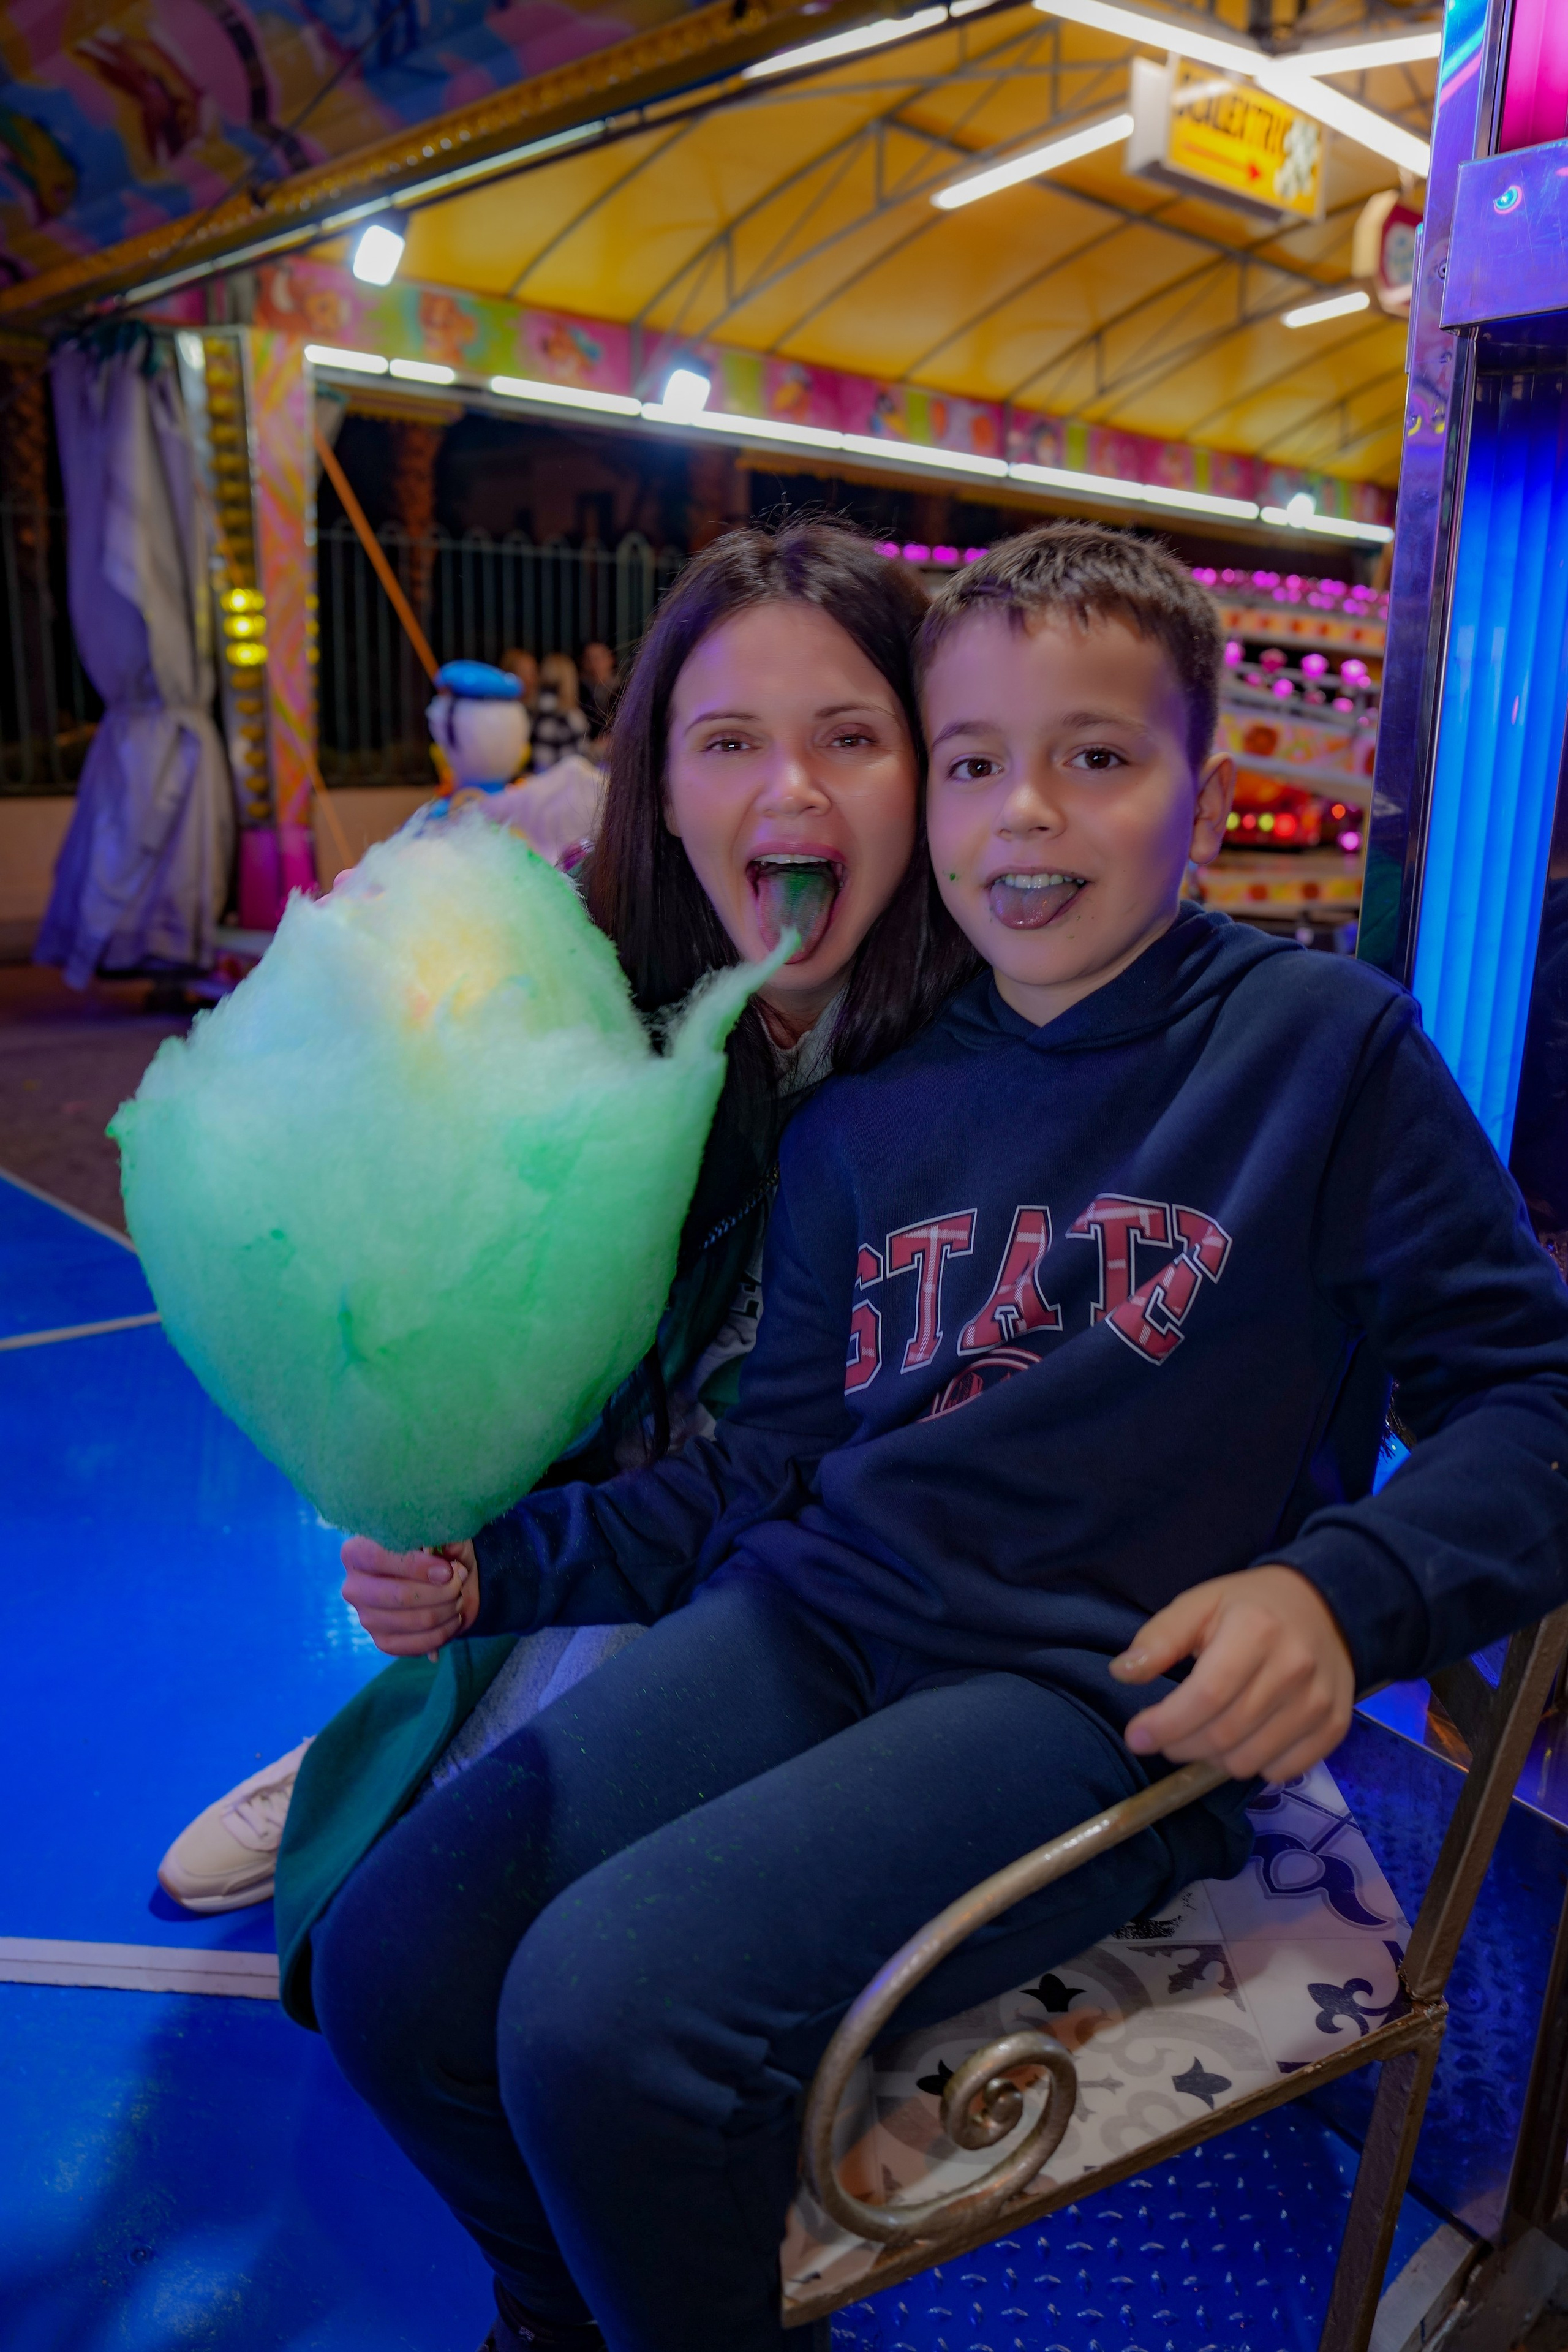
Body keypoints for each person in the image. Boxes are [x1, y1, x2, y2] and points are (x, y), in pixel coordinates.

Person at [311, 523, 1568, 2352]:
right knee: (392, 1962)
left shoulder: (1320, 1050)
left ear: (1199, 795)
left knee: (602, 2012)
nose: (1023, 815)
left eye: (1098, 757)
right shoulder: (867, 1121)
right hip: (817, 1617)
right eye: (975, 761)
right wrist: (492, 1564)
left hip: (1088, 1690)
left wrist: (1336, 1589)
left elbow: (1530, 1399)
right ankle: (573, 2310)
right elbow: (757, 1483)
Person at [157, 521, 976, 1923]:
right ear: (655, 788)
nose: (788, 786)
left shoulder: (984, 1052)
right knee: (417, 1891)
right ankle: (395, 1741)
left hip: (827, 1589)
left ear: (930, 772)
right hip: (605, 1534)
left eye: (850, 735)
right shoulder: (601, 992)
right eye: (724, 742)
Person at [530, 652, 591, 771]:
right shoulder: (571, 718)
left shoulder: (533, 713)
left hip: (537, 784)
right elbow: (579, 764)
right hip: (561, 785)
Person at [581, 639, 618, 739]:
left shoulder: (623, 690)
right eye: (589, 659)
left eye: (598, 658)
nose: (593, 664)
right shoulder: (579, 691)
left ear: (611, 659)